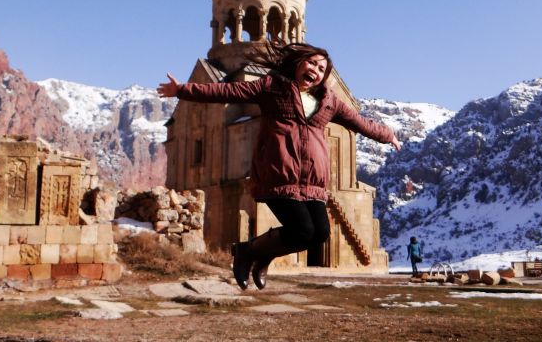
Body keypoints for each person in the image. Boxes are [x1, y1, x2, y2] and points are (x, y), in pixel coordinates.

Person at [157, 42, 401, 290]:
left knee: (319, 234)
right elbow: (227, 91)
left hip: (313, 181)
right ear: (298, 62)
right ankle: (246, 252)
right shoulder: (271, 87)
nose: (315, 70)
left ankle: (263, 256)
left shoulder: (329, 101)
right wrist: (182, 90)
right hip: (279, 174)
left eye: (321, 68)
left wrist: (387, 135)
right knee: (302, 230)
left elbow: (358, 122)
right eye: (312, 63)